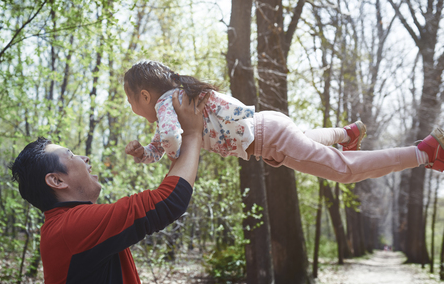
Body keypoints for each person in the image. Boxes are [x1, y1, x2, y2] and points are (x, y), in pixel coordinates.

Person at [9, 93, 208, 284]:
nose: (84, 158)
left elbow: (164, 198)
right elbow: (168, 201)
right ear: (56, 181)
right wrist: (193, 133)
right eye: (71, 155)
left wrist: (176, 146)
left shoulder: (66, 225)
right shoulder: (72, 227)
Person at [124, 60, 444, 183]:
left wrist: (171, 159)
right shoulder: (178, 98)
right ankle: (346, 133)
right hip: (269, 124)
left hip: (269, 139)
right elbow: (161, 141)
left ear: (145, 96)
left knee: (343, 170)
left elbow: (171, 140)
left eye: (131, 101)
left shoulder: (168, 105)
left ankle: (424, 151)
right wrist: (145, 155)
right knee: (306, 139)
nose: (132, 107)